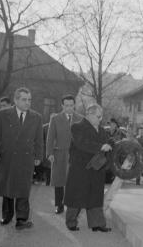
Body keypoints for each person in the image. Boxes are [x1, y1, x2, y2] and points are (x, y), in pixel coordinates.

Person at [0, 87, 43, 230]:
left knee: (23, 188)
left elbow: (39, 139)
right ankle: (6, 216)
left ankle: (21, 219)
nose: (27, 103)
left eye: (29, 100)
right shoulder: (2, 115)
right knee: (7, 186)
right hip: (7, 157)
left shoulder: (36, 117)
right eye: (24, 99)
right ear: (16, 100)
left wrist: (38, 155)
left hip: (26, 158)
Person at [64, 104, 112, 232]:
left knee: (95, 197)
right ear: (89, 115)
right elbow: (82, 144)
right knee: (76, 196)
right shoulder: (77, 127)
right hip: (80, 168)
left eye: (101, 116)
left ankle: (98, 224)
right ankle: (71, 222)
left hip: (97, 168)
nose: (100, 119)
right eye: (98, 116)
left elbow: (107, 146)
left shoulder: (102, 130)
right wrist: (101, 147)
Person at [46, 94, 82, 215]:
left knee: (75, 181)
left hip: (75, 155)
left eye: (71, 105)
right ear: (62, 106)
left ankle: (73, 205)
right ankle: (59, 205)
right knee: (59, 180)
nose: (69, 108)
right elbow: (50, 137)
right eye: (66, 105)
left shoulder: (81, 119)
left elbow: (84, 139)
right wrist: (49, 153)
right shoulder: (55, 119)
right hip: (59, 153)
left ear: (74, 105)